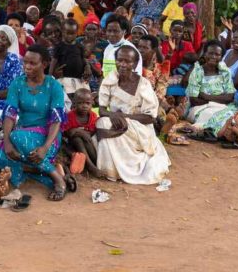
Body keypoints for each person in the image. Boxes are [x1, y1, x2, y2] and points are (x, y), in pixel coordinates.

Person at [0, 45, 69, 201]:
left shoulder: (53, 86)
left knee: (17, 137)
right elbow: (9, 115)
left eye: (33, 63)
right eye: (25, 62)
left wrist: (45, 147)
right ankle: (43, 172)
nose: (27, 66)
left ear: (44, 64)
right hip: (22, 135)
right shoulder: (17, 84)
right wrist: (6, 142)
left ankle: (58, 179)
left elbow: (56, 121)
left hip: (48, 137)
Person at [95, 45, 171, 184]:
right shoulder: (109, 80)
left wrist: (124, 118)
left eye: (127, 61)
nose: (122, 64)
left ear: (135, 64)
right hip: (117, 123)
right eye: (119, 60)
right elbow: (102, 110)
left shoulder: (143, 85)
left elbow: (150, 117)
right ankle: (110, 170)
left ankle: (125, 168)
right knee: (102, 123)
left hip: (139, 128)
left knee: (104, 129)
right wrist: (114, 116)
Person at [184, 41, 238, 137]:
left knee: (231, 114)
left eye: (217, 54)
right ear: (205, 54)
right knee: (211, 115)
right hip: (201, 108)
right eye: (210, 53)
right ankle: (226, 132)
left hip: (224, 106)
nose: (213, 57)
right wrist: (220, 98)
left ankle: (225, 132)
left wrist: (206, 96)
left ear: (222, 57)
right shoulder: (197, 71)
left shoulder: (225, 72)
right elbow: (194, 100)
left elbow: (230, 97)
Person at [63, 88, 100, 177]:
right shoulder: (70, 116)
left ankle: (96, 162)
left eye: (88, 103)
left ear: (92, 103)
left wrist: (77, 131)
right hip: (72, 144)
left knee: (86, 140)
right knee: (77, 139)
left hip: (87, 142)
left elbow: (91, 133)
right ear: (74, 103)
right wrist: (79, 132)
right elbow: (67, 133)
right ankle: (90, 165)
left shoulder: (93, 116)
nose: (84, 106)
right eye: (80, 103)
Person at [53, 18, 94, 97]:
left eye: (73, 34)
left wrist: (87, 67)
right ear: (62, 32)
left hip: (80, 79)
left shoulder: (79, 46)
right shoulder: (59, 46)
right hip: (64, 79)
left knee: (83, 98)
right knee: (68, 98)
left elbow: (84, 59)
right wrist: (51, 77)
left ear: (76, 33)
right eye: (68, 33)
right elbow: (53, 62)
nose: (70, 36)